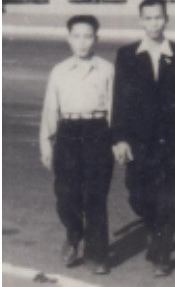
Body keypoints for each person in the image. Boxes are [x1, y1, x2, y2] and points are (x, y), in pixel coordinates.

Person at [111, 0, 175, 277]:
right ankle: (153, 226)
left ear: (167, 19)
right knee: (138, 195)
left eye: (159, 18)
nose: (154, 23)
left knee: (169, 196)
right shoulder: (127, 54)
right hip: (139, 140)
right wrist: (119, 138)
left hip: (173, 140)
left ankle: (162, 251)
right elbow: (119, 99)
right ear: (141, 20)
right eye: (148, 18)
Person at [39, 15, 114, 275]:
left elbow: (114, 110)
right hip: (68, 133)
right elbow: (50, 110)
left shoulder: (106, 69)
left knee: (96, 196)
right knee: (66, 194)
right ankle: (73, 233)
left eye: (88, 36)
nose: (82, 43)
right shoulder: (59, 71)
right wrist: (47, 145)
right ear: (69, 38)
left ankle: (97, 254)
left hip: (97, 131)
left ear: (96, 39)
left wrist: (115, 142)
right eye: (77, 36)